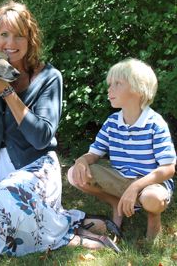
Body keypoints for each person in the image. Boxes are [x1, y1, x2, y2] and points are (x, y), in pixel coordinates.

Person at [0, 0, 121, 257]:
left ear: (30, 39)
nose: (11, 43)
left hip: (36, 170)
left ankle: (70, 234)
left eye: (19, 35)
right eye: (4, 35)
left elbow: (41, 137)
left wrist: (7, 92)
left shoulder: (49, 77)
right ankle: (68, 227)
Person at [67, 58, 176, 239]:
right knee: (74, 174)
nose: (109, 90)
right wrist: (81, 161)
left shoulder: (155, 123)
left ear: (138, 89)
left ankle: (153, 218)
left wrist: (135, 187)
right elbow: (94, 153)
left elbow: (168, 168)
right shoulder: (112, 123)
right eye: (110, 84)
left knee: (153, 200)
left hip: (149, 184)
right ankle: (116, 203)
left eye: (117, 84)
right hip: (119, 178)